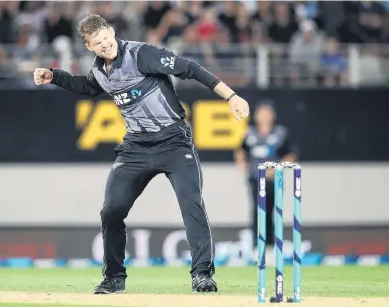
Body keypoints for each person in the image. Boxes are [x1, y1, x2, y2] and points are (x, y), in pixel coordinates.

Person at [33, 14, 249, 294]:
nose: (105, 45)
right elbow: (88, 87)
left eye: (107, 38)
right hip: (135, 147)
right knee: (111, 210)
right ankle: (114, 277)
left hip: (174, 143)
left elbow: (190, 68)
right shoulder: (100, 70)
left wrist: (231, 97)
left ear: (112, 31)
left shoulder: (142, 54)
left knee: (191, 205)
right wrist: (54, 76)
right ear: (88, 46)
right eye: (98, 43)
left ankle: (202, 274)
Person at [234, 102, 295, 249]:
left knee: (273, 210)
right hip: (256, 177)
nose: (265, 117)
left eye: (268, 114)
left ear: (273, 116)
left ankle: (271, 245)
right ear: (256, 116)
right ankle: (257, 245)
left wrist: (275, 169)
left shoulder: (280, 133)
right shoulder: (250, 133)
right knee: (257, 210)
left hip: (274, 179)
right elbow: (240, 150)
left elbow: (290, 155)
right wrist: (242, 163)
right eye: (262, 114)